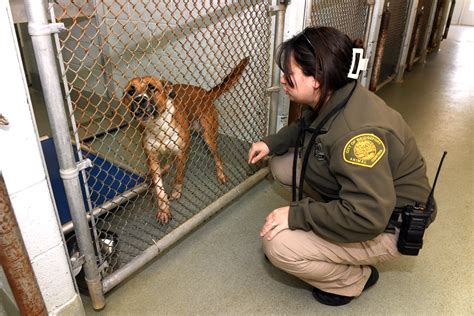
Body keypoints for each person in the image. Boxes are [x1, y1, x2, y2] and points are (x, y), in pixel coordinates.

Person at [247, 26, 436, 306]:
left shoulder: (356, 135)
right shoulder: (337, 93)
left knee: (278, 246)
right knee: (284, 165)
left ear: (317, 78)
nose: (283, 81)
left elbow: (366, 216)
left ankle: (352, 280)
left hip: (389, 224)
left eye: (289, 75)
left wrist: (298, 216)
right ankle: (322, 235)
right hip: (374, 201)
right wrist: (272, 143)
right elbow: (307, 127)